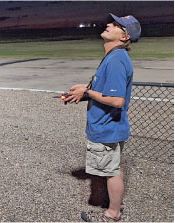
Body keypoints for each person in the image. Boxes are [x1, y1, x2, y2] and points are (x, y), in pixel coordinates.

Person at [65, 13, 141, 222]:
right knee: (112, 168)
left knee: (112, 171)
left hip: (107, 128)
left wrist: (88, 94)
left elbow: (117, 100)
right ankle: (116, 204)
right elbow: (106, 88)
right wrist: (85, 88)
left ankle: (112, 213)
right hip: (112, 126)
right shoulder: (114, 56)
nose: (108, 24)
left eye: (116, 25)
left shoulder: (116, 59)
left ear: (124, 37)